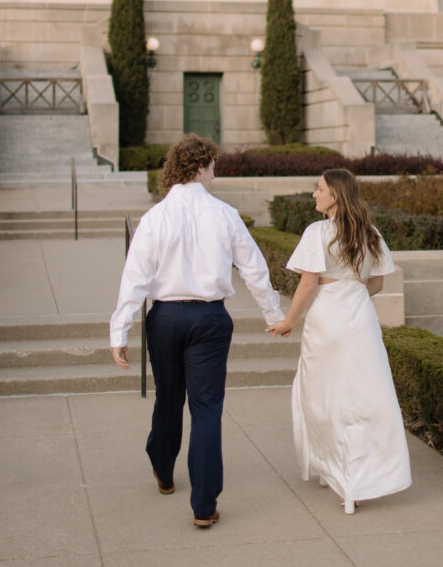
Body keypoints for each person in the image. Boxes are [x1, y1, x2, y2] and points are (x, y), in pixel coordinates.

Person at [110, 134, 283, 527]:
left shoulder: (155, 217)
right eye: (213, 167)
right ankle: (204, 505)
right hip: (209, 320)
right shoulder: (224, 214)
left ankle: (164, 471)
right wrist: (272, 314)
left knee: (168, 398)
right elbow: (254, 269)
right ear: (200, 166)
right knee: (207, 409)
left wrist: (119, 331)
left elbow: (134, 279)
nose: (215, 175)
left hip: (166, 319)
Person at [268, 168, 411, 514]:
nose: (314, 194)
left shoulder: (318, 232)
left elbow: (307, 284)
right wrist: (353, 289)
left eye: (319, 189)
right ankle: (362, 477)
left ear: (335, 195)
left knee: (325, 394)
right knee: (365, 392)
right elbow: (377, 284)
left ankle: (335, 469)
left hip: (327, 317)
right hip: (359, 315)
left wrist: (288, 321)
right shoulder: (370, 233)